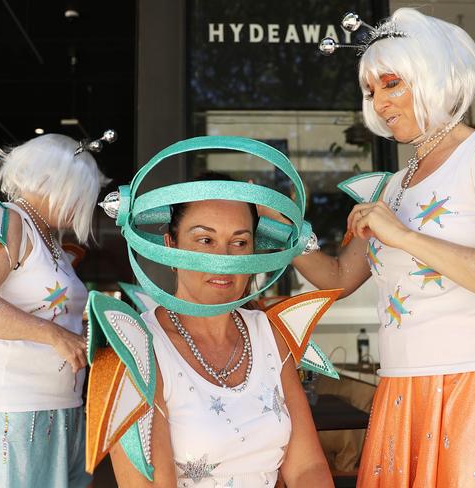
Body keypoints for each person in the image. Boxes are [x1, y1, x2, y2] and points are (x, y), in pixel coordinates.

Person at [277, 8, 475, 487]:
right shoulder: (390, 186)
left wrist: (407, 237)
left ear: (432, 74)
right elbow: (338, 276)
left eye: (392, 83)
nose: (380, 103)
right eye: (371, 91)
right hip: (401, 388)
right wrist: (285, 229)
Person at [104, 172, 334, 487]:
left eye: (239, 242)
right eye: (205, 240)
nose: (222, 259)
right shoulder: (136, 348)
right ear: (171, 245)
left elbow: (308, 469)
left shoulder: (269, 333)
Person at [0, 132, 112, 487]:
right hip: (14, 409)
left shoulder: (48, 237)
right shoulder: (9, 224)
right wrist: (53, 335)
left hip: (61, 406)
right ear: (59, 182)